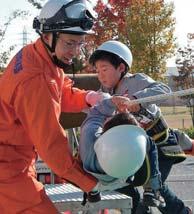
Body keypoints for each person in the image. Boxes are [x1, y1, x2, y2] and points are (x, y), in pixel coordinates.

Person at [0, 1, 127, 213]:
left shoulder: (39, 56)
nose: (76, 51)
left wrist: (89, 98)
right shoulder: (36, 79)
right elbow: (52, 147)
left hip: (15, 162)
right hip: (7, 171)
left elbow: (59, 92)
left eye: (80, 43)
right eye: (70, 43)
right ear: (48, 35)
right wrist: (91, 184)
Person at [89, 40, 193, 214]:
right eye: (98, 71)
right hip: (136, 150)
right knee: (124, 187)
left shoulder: (136, 80)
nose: (100, 75)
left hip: (161, 146)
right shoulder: (106, 94)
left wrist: (138, 99)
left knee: (153, 189)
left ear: (121, 68)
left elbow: (163, 89)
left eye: (104, 69)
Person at [80, 95, 166, 213]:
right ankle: (152, 188)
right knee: (147, 140)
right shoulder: (132, 148)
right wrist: (125, 119)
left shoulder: (91, 134)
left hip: (93, 179)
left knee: (81, 151)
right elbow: (127, 138)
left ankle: (92, 192)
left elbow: (95, 115)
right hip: (124, 177)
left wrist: (111, 102)